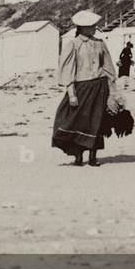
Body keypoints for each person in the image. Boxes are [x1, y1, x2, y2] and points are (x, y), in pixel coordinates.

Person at [52, 10, 119, 167]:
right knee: (77, 121)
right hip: (81, 87)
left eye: (94, 25)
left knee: (97, 121)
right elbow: (68, 69)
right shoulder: (73, 45)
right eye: (91, 26)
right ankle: (78, 157)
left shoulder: (100, 43)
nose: (94, 28)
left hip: (99, 87)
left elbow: (108, 67)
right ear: (82, 28)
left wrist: (112, 90)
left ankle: (93, 157)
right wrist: (71, 94)